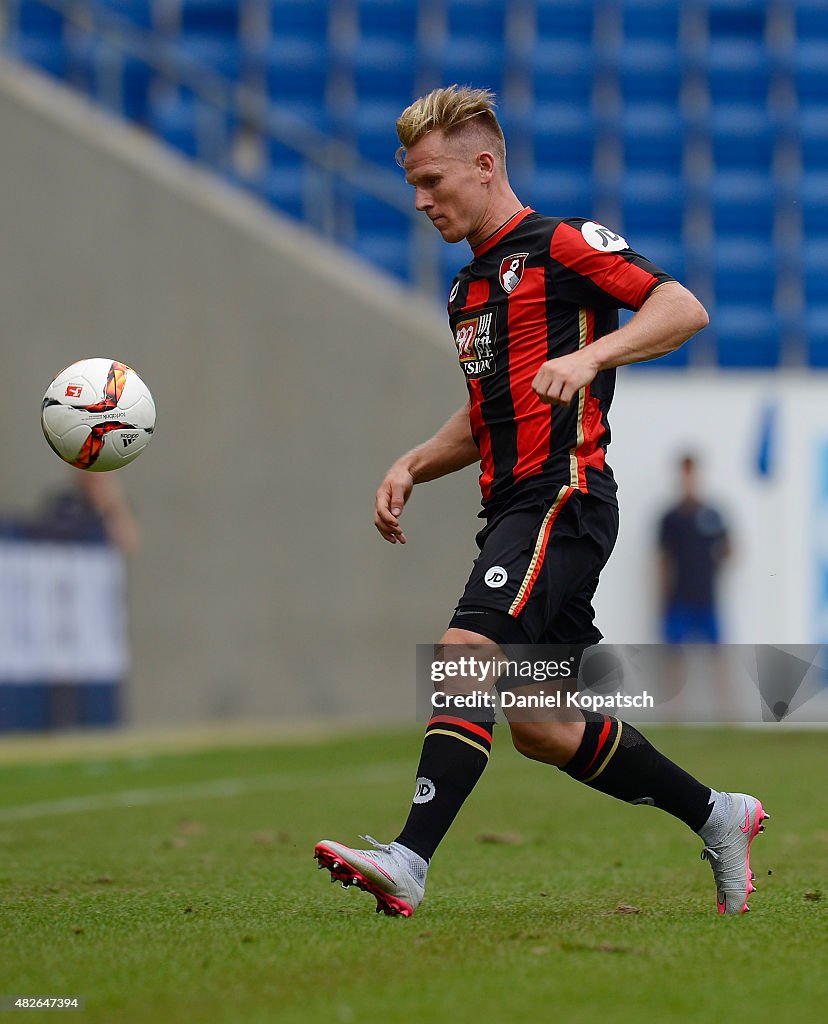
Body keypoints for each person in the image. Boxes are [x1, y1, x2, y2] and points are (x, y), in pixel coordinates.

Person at [314, 87, 767, 917]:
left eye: (432, 180)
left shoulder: (561, 244)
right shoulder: (467, 292)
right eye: (413, 184)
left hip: (563, 493)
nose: (420, 201)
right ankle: (718, 814)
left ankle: (410, 859)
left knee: (463, 652)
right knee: (544, 726)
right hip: (515, 502)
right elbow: (488, 416)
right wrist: (415, 461)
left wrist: (594, 356)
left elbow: (681, 307)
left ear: (485, 166)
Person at [659, 453, 730, 644]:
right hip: (679, 597)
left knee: (718, 654)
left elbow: (729, 549)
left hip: (706, 596)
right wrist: (663, 597)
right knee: (674, 655)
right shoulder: (671, 518)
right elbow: (663, 560)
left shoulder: (712, 515)